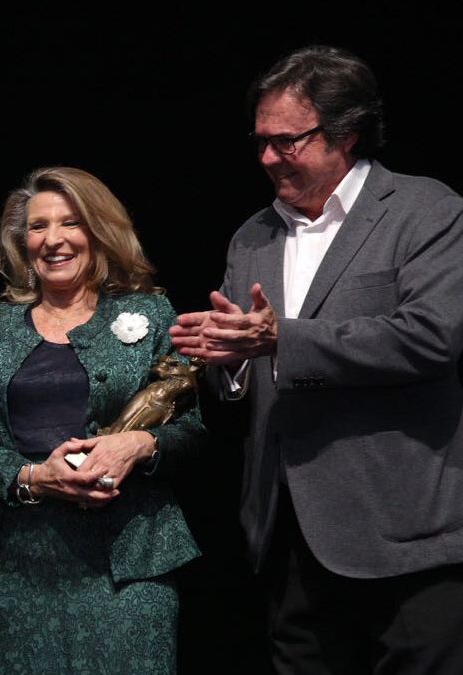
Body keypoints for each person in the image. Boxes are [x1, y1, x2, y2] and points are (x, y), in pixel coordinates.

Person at [170, 45, 463, 674]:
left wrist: (281, 339)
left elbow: (431, 336)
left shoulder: (425, 210)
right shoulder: (252, 236)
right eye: (259, 142)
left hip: (402, 531)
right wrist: (226, 357)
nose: (267, 157)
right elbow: (240, 384)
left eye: (286, 141)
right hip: (289, 536)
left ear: (346, 133)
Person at [0, 167, 205, 674]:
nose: (53, 240)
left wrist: (140, 445)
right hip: (18, 570)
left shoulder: (150, 314)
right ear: (22, 241)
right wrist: (32, 476)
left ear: (98, 231)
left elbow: (192, 434)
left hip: (131, 568)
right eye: (38, 226)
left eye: (71, 223)